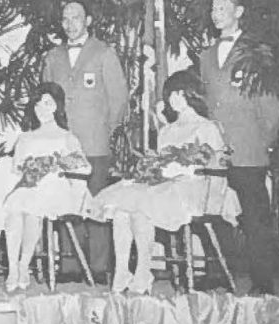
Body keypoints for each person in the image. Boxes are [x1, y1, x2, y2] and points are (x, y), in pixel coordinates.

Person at [95, 71, 241, 294]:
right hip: (167, 185)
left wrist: (186, 168)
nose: (174, 99)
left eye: (180, 94)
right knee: (123, 209)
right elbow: (160, 163)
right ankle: (123, 270)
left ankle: (143, 271)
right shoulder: (167, 131)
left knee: (141, 204)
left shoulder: (207, 127)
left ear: (191, 95)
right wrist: (156, 169)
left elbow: (217, 166)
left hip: (197, 188)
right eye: (171, 94)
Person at [0, 83, 91, 292]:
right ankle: (14, 269)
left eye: (47, 103)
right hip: (28, 185)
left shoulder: (66, 137)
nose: (42, 109)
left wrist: (53, 162)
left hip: (56, 187)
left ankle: (24, 264)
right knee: (15, 206)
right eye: (38, 104)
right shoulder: (26, 137)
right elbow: (17, 168)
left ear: (57, 106)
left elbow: (84, 166)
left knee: (31, 207)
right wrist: (28, 168)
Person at [197, 0, 279, 295]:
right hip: (214, 152)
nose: (216, 12)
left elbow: (270, 104)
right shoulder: (206, 56)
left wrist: (263, 142)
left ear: (239, 10)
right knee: (214, 210)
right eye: (213, 7)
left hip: (248, 148)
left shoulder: (256, 51)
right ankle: (219, 275)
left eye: (223, 7)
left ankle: (262, 281)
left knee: (254, 218)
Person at [42, 1, 128, 283]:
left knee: (96, 205)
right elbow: (45, 98)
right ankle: (70, 267)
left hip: (94, 144)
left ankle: (99, 267)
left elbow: (119, 100)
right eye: (65, 18)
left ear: (88, 20)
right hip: (63, 145)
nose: (70, 24)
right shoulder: (53, 56)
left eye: (76, 18)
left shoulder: (104, 53)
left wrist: (105, 130)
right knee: (68, 203)